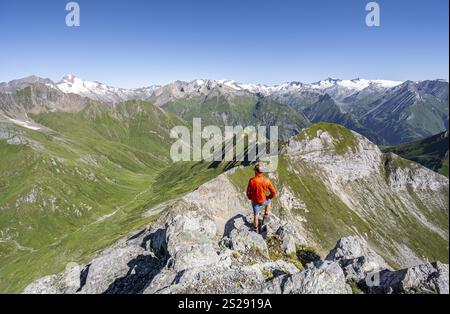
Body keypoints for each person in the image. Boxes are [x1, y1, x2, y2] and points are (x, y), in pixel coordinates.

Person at [246, 163, 277, 233]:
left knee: (256, 216)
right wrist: (269, 197)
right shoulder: (267, 180)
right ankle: (265, 216)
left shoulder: (252, 180)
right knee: (269, 202)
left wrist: (250, 197)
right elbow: (274, 192)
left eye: (255, 171)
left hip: (255, 201)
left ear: (256, 171)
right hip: (263, 200)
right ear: (262, 172)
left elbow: (248, 192)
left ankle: (255, 229)